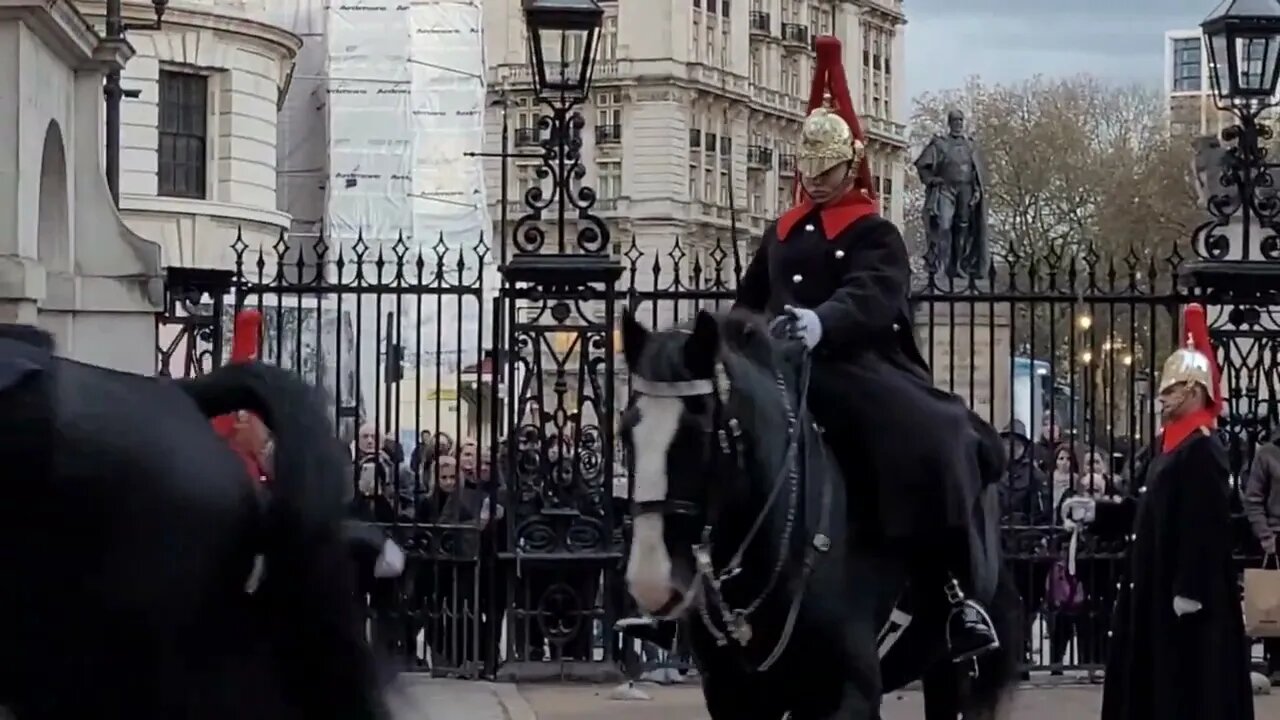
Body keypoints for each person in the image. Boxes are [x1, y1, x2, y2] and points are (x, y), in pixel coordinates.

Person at [732, 97, 1001, 660]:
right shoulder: (780, 233)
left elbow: (875, 294)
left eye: (826, 171)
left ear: (850, 165)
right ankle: (690, 588)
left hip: (856, 366)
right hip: (781, 369)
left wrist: (822, 321)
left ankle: (954, 593)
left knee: (935, 435)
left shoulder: (875, 232)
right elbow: (749, 301)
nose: (816, 181)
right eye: (808, 171)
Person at [1098, 304, 1254, 720]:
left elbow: (1204, 525)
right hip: (1153, 582)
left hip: (1180, 593)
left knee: (1184, 690)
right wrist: (1100, 514)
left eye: (1170, 390)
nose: (1162, 398)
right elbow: (1148, 507)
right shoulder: (1168, 445)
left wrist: (1190, 588)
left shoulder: (1202, 448)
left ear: (1192, 391)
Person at [1244, 426, 1280, 683]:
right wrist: (1265, 535)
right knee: (1275, 602)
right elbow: (1253, 498)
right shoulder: (1268, 454)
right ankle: (1277, 663)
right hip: (1278, 536)